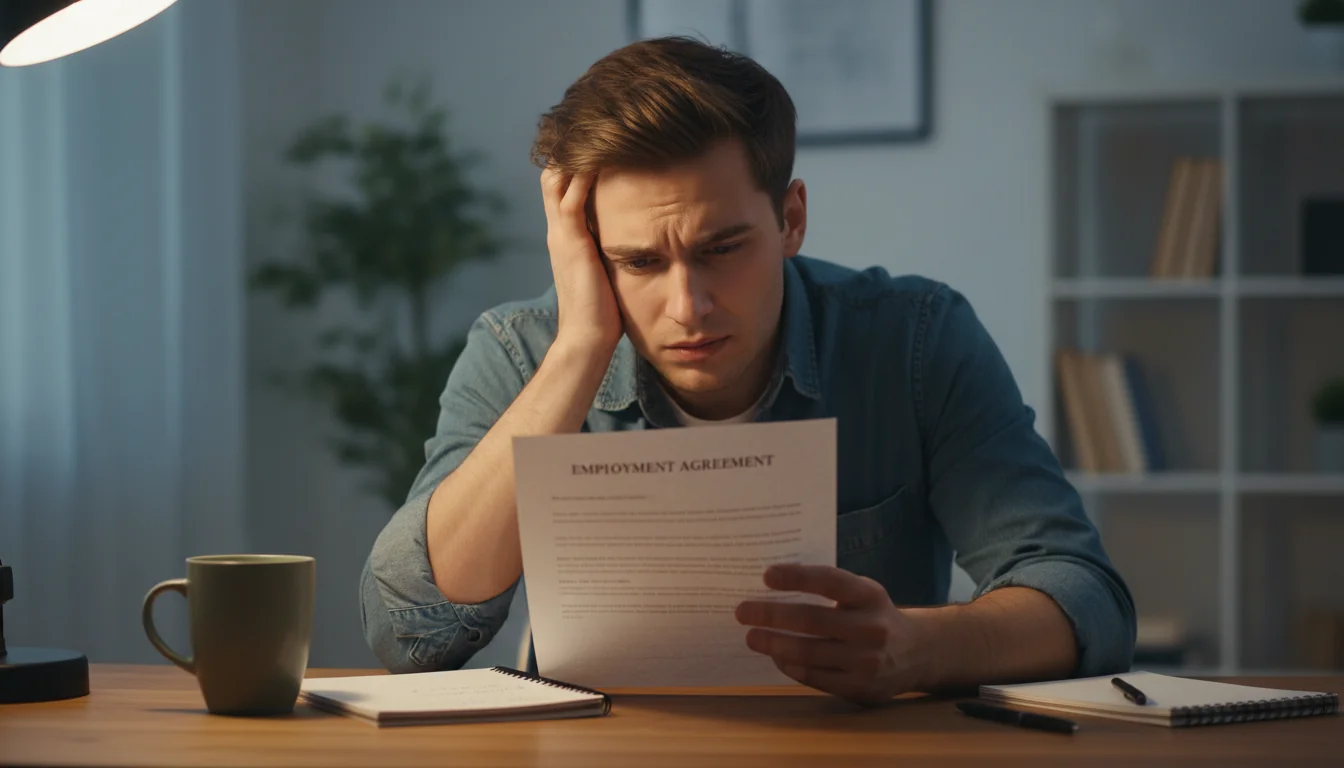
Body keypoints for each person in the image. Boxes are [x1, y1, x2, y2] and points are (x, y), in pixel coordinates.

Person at [360, 36, 1135, 705]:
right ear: (590, 251)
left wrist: (918, 647)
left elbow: (1083, 596)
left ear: (790, 217)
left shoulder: (916, 341)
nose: (687, 306)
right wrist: (580, 346)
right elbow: (407, 632)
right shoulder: (523, 351)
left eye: (721, 249)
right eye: (637, 261)